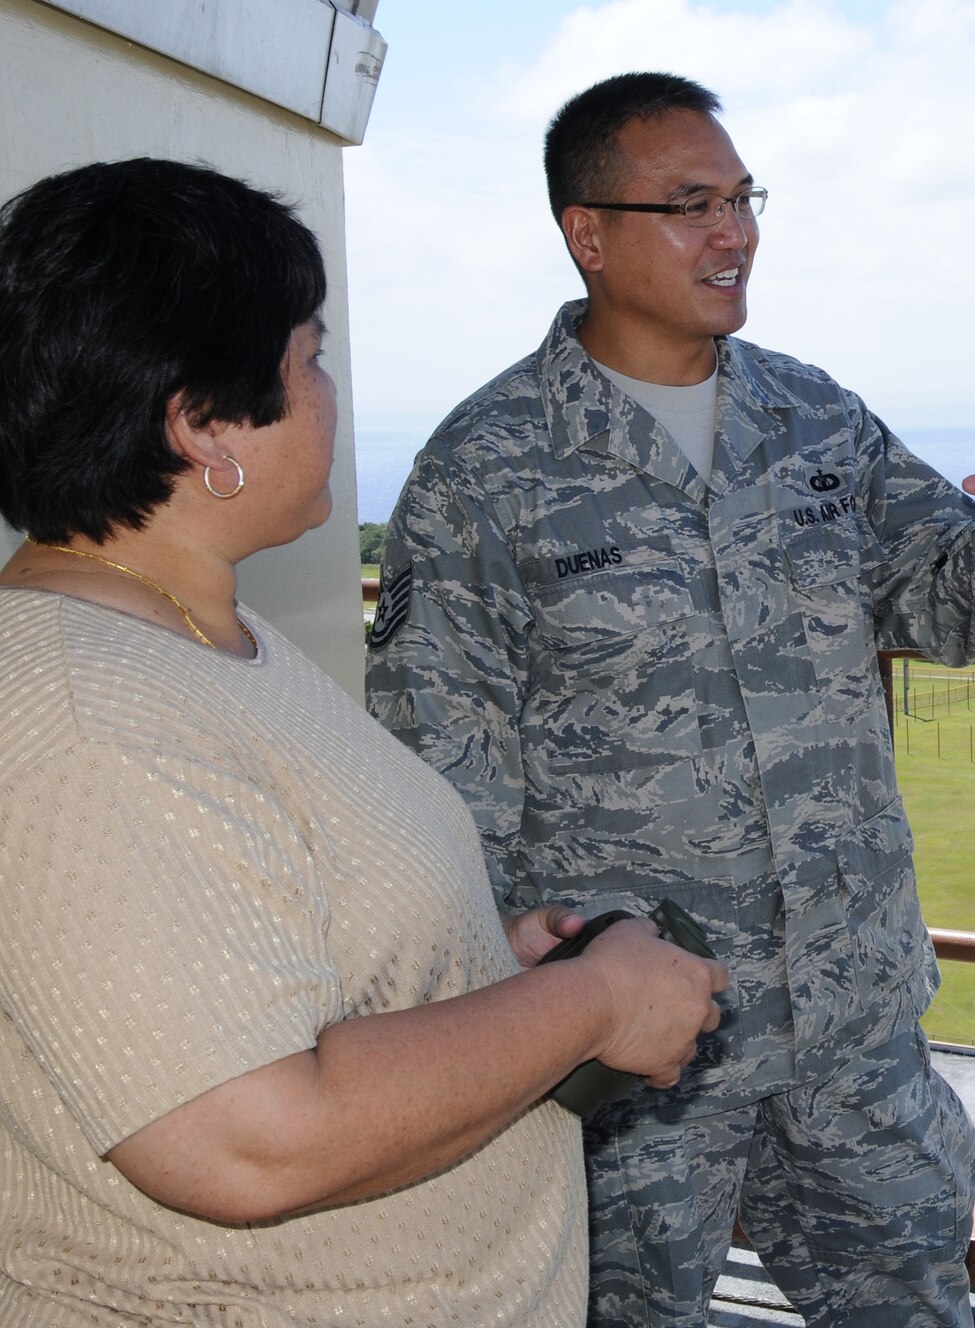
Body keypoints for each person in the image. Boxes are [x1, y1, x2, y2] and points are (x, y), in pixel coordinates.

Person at [365, 72, 975, 1327]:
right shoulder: (487, 467)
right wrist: (504, 1001)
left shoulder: (810, 417)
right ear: (585, 233)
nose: (735, 232)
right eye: (690, 203)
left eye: (743, 197)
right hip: (629, 1047)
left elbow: (949, 606)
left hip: (849, 1026)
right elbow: (442, 769)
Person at [0, 158, 729, 1326]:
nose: (331, 391)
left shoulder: (206, 638)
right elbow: (245, 1139)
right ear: (201, 426)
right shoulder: (89, 717)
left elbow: (255, 955)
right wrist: (589, 1006)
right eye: (309, 355)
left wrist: (479, 964)